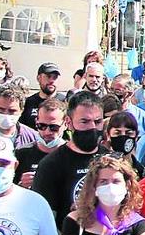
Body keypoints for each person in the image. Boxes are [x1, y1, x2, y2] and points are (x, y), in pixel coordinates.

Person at [33, 91, 106, 224]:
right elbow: (45, 220)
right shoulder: (51, 165)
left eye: (98, 121)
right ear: (69, 122)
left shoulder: (111, 159)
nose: (93, 127)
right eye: (85, 121)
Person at [20, 63, 62, 130]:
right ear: (39, 78)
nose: (51, 81)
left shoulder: (64, 101)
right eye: (48, 76)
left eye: (55, 77)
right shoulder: (29, 102)